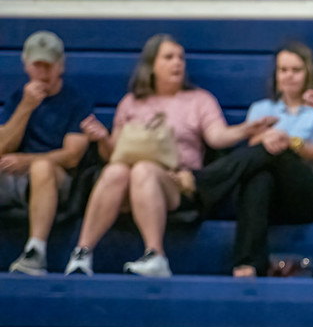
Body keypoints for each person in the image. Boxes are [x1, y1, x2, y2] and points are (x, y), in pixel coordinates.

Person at [64, 33, 269, 276]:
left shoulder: (199, 100)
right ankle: (82, 253)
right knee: (115, 170)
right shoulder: (131, 102)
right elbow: (113, 153)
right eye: (169, 57)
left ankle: (156, 255)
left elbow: (217, 136)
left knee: (143, 170)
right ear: (152, 65)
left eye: (181, 58)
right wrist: (101, 139)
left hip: (176, 182)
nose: (177, 63)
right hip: (127, 183)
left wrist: (246, 129)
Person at [195, 41, 313, 277]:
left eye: (296, 70)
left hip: (311, 194)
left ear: (309, 73)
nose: (289, 76)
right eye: (283, 70)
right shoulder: (261, 109)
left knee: (275, 152)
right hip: (271, 198)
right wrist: (267, 139)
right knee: (258, 176)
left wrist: (290, 142)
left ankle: (199, 182)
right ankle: (247, 265)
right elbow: (254, 155)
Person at [1, 30, 93, 275]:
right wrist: (25, 108)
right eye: (37, 65)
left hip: (56, 177)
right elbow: (2, 147)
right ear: (26, 65)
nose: (43, 73)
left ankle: (36, 251)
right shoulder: (18, 99)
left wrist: (27, 161)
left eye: (48, 66)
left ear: (61, 65)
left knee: (41, 168)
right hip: (14, 174)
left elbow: (72, 156)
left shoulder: (76, 102)